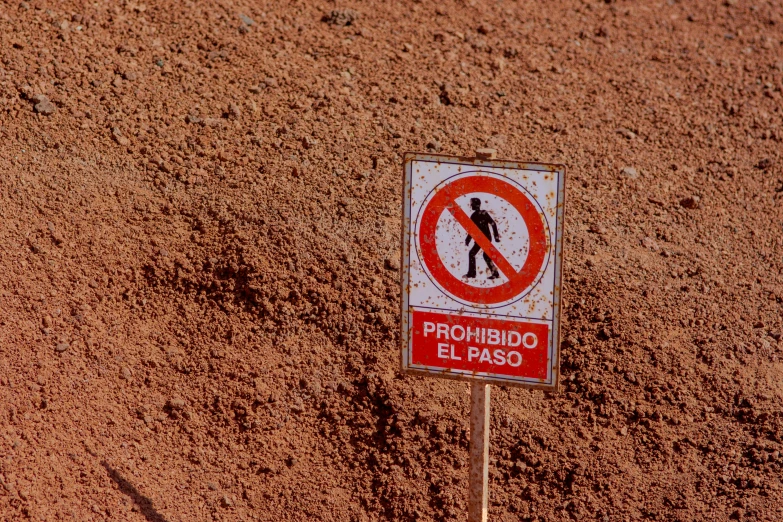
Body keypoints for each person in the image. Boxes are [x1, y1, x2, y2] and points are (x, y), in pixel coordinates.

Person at [463, 198, 500, 280]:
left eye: (472, 204)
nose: (471, 205)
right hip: (483, 238)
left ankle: (472, 273)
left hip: (483, 238)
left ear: (476, 205)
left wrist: (496, 237)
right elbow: (472, 230)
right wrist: (496, 237)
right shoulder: (480, 214)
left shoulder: (478, 214)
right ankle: (494, 273)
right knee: (481, 255)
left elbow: (493, 223)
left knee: (474, 254)